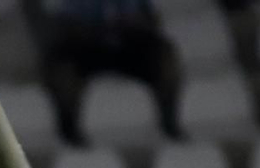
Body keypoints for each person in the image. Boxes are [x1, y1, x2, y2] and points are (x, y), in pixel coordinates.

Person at [43, 0, 182, 145]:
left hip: (129, 44)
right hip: (86, 45)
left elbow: (149, 19)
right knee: (61, 65)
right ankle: (69, 129)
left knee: (165, 56)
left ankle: (169, 121)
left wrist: (135, 24)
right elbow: (65, 22)